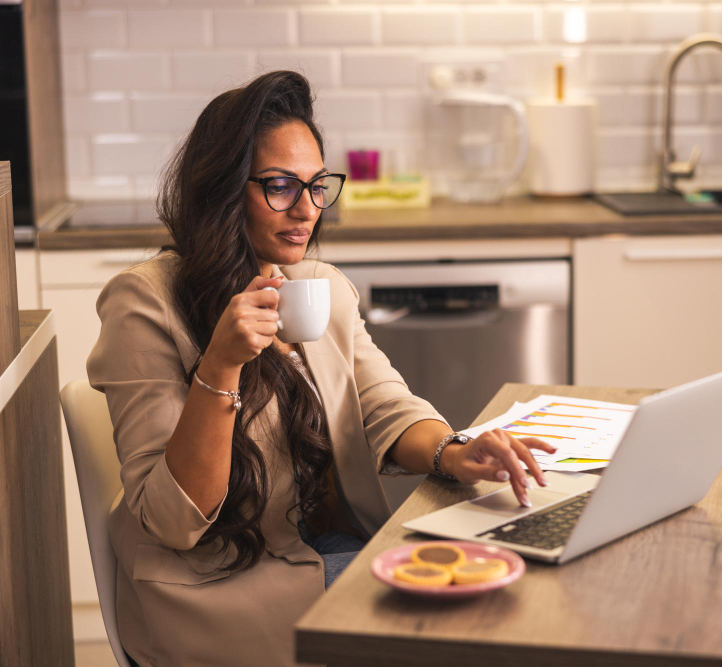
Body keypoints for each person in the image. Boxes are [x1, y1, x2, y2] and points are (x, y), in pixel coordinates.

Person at [86, 70, 555, 667]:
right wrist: (221, 365)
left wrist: (453, 451)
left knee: (492, 579)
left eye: (316, 185)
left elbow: (384, 403)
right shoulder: (144, 302)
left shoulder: (318, 285)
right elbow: (172, 519)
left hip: (316, 547)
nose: (307, 209)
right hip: (217, 587)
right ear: (223, 189)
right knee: (462, 615)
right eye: (280, 186)